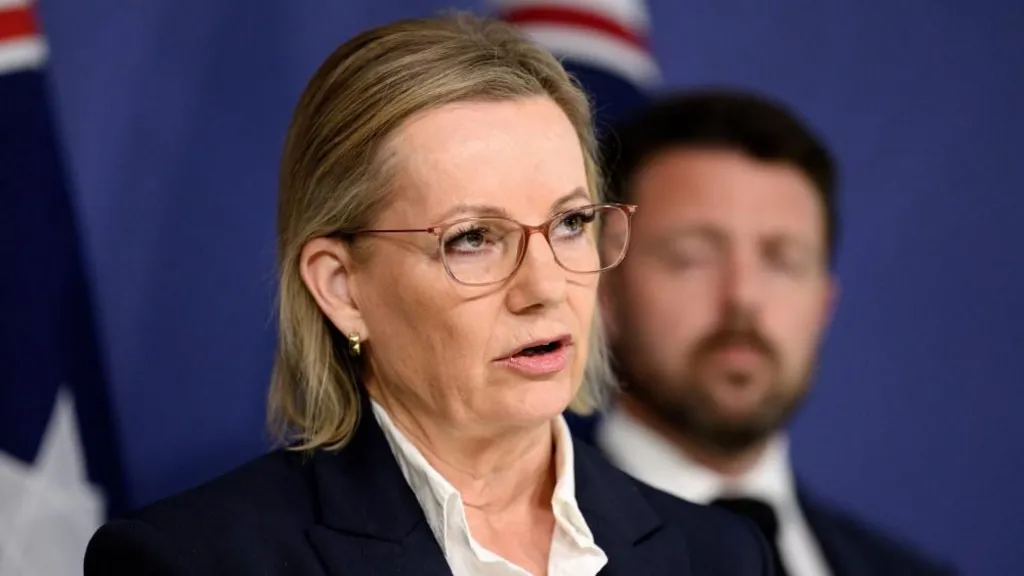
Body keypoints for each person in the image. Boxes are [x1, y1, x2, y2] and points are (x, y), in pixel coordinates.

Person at [83, 15, 774, 576]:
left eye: (570, 224)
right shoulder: (192, 564)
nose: (544, 289)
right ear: (342, 287)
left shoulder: (722, 557)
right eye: (473, 238)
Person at [589, 89, 958, 576]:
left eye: (783, 260)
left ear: (824, 305)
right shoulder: (506, 555)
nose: (743, 297)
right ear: (605, 292)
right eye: (691, 255)